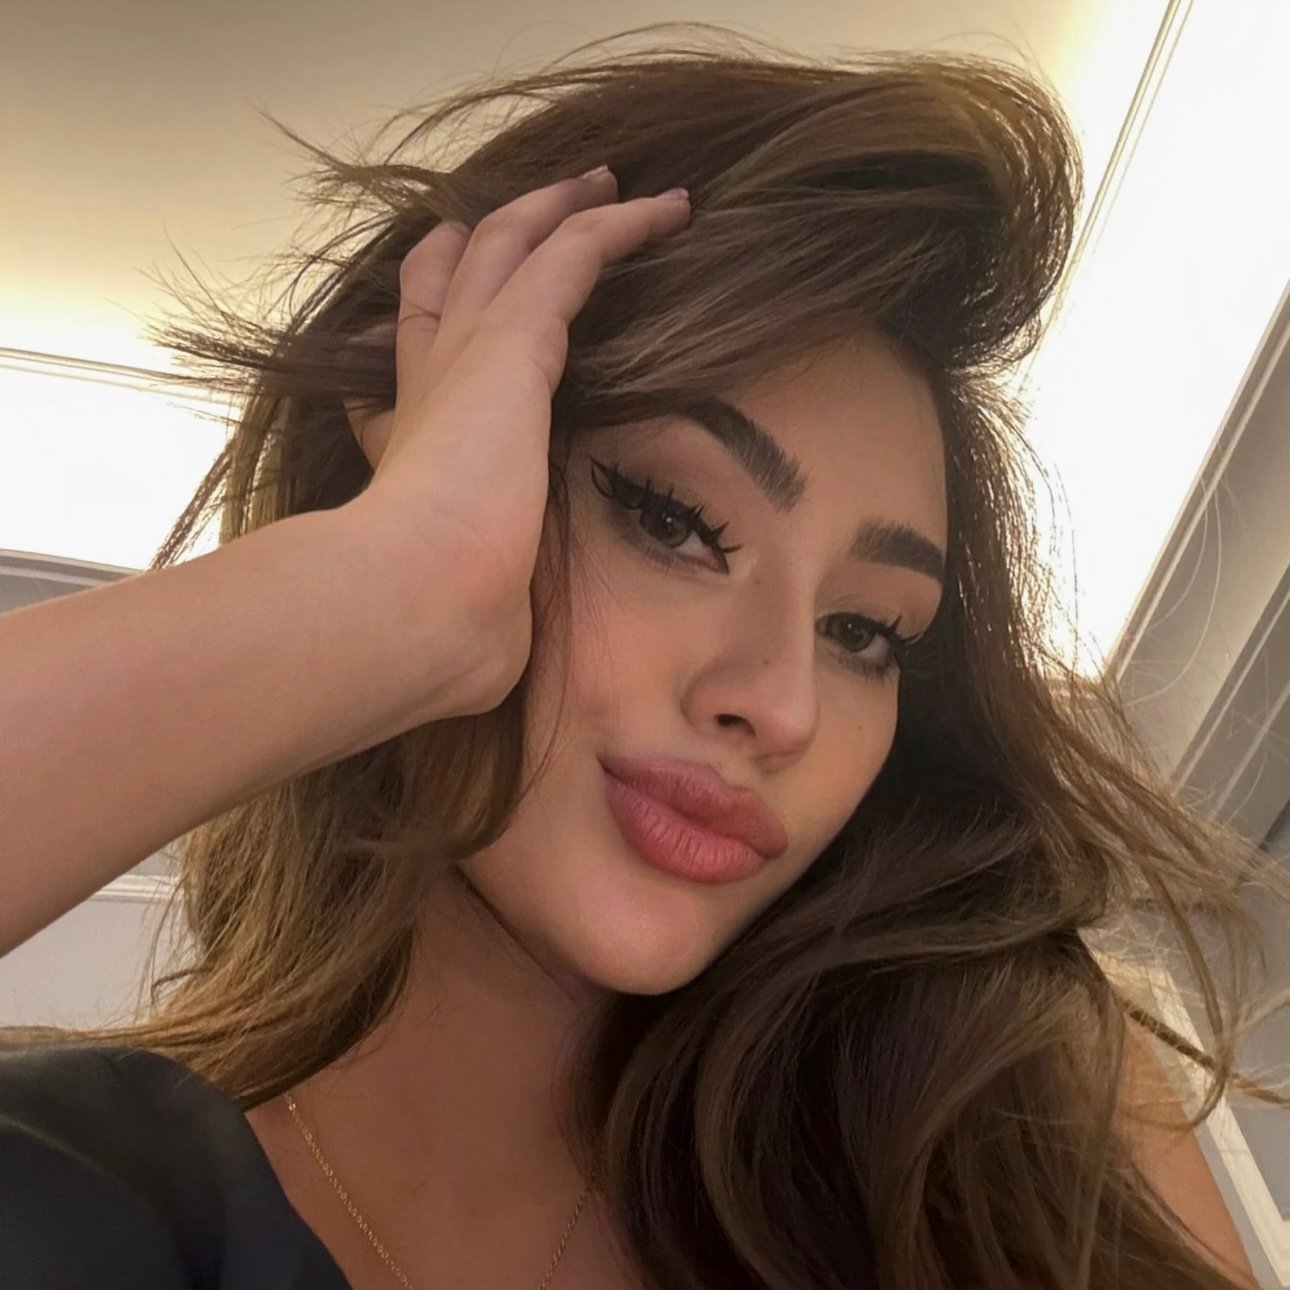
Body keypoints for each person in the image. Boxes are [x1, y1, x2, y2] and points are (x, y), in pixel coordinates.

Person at [0, 21, 1282, 1290]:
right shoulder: (79, 1180)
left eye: (863, 632)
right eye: (674, 520)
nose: (780, 704)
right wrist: (395, 586)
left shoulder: (1016, 1118)